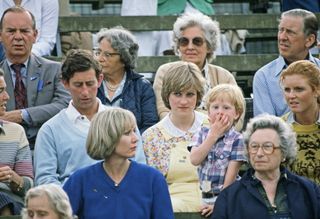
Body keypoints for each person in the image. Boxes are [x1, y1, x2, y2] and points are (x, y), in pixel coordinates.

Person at [63, 108, 174, 219]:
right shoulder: (80, 180)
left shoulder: (153, 179)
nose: (135, 138)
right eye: (127, 133)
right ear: (107, 136)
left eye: (134, 131)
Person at [212, 114, 320, 218]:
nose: (259, 153)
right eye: (254, 146)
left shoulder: (309, 191)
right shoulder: (230, 197)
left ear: (284, 152)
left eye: (267, 146)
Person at [153, 13, 244, 131]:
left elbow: (237, 119)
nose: (190, 47)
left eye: (197, 41)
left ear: (209, 46)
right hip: (177, 138)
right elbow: (164, 113)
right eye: (184, 41)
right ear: (178, 46)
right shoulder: (165, 72)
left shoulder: (224, 76)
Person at [143, 61, 213, 216]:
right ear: (167, 95)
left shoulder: (213, 126)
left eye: (190, 94)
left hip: (214, 202)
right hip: (171, 208)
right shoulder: (152, 136)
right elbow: (152, 187)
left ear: (198, 96)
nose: (183, 101)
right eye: (177, 94)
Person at [0, 6, 70, 149]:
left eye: (25, 31)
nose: (18, 37)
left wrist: (22, 115)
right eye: (11, 31)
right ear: (0, 35)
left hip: (49, 145)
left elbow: (64, 105)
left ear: (35, 35)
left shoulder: (55, 69)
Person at [253, 8, 320, 117]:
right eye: (281, 30)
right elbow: (265, 126)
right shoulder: (264, 76)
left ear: (309, 40)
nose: (282, 37)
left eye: (290, 32)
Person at [190, 84, 246, 209]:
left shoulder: (238, 140)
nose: (220, 111)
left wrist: (220, 204)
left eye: (226, 108)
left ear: (236, 114)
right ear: (209, 112)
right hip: (203, 193)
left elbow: (230, 179)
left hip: (227, 195)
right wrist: (213, 135)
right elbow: (194, 160)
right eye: (215, 107)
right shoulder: (201, 132)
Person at [95, 26, 158, 133]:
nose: (99, 59)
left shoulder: (142, 87)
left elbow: (149, 126)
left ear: (125, 58)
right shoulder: (91, 84)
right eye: (98, 52)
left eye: (107, 54)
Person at [280, 60, 320, 184]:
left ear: (316, 90)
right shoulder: (279, 128)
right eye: (287, 90)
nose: (291, 96)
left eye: (299, 89)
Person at [0, 68, 33, 216]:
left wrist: (14, 178)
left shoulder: (16, 131)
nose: (6, 97)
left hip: (13, 204)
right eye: (0, 91)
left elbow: (28, 187)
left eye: (5, 90)